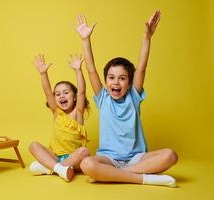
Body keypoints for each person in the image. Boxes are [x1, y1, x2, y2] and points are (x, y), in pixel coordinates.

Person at [75, 11, 178, 187]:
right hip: (109, 158)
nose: (116, 82)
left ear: (129, 83)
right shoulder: (103, 98)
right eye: (111, 77)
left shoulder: (133, 97)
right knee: (87, 164)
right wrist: (85, 40)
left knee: (171, 155)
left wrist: (147, 36)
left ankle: (112, 176)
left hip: (137, 159)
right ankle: (144, 178)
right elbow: (91, 70)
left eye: (122, 78)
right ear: (106, 80)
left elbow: (141, 67)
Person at [29, 53, 90, 182]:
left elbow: (82, 92)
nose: (61, 96)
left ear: (74, 98)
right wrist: (43, 74)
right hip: (55, 156)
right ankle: (59, 168)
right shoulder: (56, 113)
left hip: (74, 159)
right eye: (58, 94)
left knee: (84, 152)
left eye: (66, 93)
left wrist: (78, 70)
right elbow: (47, 91)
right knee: (33, 145)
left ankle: (49, 168)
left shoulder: (77, 113)